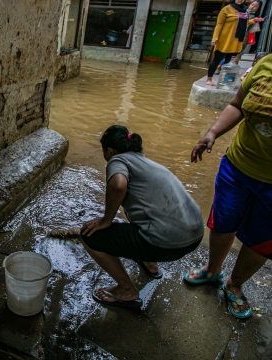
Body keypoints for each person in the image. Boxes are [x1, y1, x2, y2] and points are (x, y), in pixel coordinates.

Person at [184, 54, 272, 319]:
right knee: (223, 222)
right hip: (237, 166)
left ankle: (235, 284)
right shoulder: (265, 64)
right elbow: (237, 104)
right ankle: (212, 269)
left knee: (262, 240)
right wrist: (211, 133)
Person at [80, 125, 204, 308]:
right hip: (193, 236)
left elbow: (118, 185)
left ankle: (126, 290)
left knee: (88, 235)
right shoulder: (145, 163)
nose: (105, 156)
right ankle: (150, 263)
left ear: (111, 150)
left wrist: (106, 220)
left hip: (168, 243)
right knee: (135, 213)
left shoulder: (117, 160)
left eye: (104, 151)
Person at [205, 0, 263, 86]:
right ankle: (209, 79)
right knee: (217, 59)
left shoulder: (244, 10)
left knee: (229, 61)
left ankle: (223, 79)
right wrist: (215, 38)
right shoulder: (226, 9)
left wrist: (252, 21)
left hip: (236, 40)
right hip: (225, 39)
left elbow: (244, 24)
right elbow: (219, 24)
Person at [235, 0, 262, 65]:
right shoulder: (241, 11)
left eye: (255, 6)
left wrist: (255, 22)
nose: (252, 7)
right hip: (235, 34)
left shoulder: (256, 17)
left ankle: (230, 68)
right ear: (249, 4)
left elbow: (254, 30)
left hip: (244, 37)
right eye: (252, 5)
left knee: (237, 53)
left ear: (258, 9)